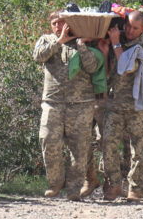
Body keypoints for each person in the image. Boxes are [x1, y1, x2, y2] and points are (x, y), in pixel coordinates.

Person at [32, 12, 103, 201]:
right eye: (55, 23)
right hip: (53, 102)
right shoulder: (46, 40)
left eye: (62, 22)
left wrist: (81, 46)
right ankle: (55, 183)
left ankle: (74, 188)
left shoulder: (84, 42)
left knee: (79, 148)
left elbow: (93, 67)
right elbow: (38, 56)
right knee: (48, 141)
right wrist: (59, 41)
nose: (58, 26)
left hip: (81, 105)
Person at [101, 12, 143, 201]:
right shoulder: (120, 40)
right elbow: (110, 71)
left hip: (137, 105)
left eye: (135, 28)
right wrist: (107, 48)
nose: (130, 31)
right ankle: (115, 184)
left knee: (139, 150)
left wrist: (115, 43)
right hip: (115, 103)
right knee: (108, 143)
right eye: (128, 26)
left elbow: (128, 66)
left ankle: (137, 188)